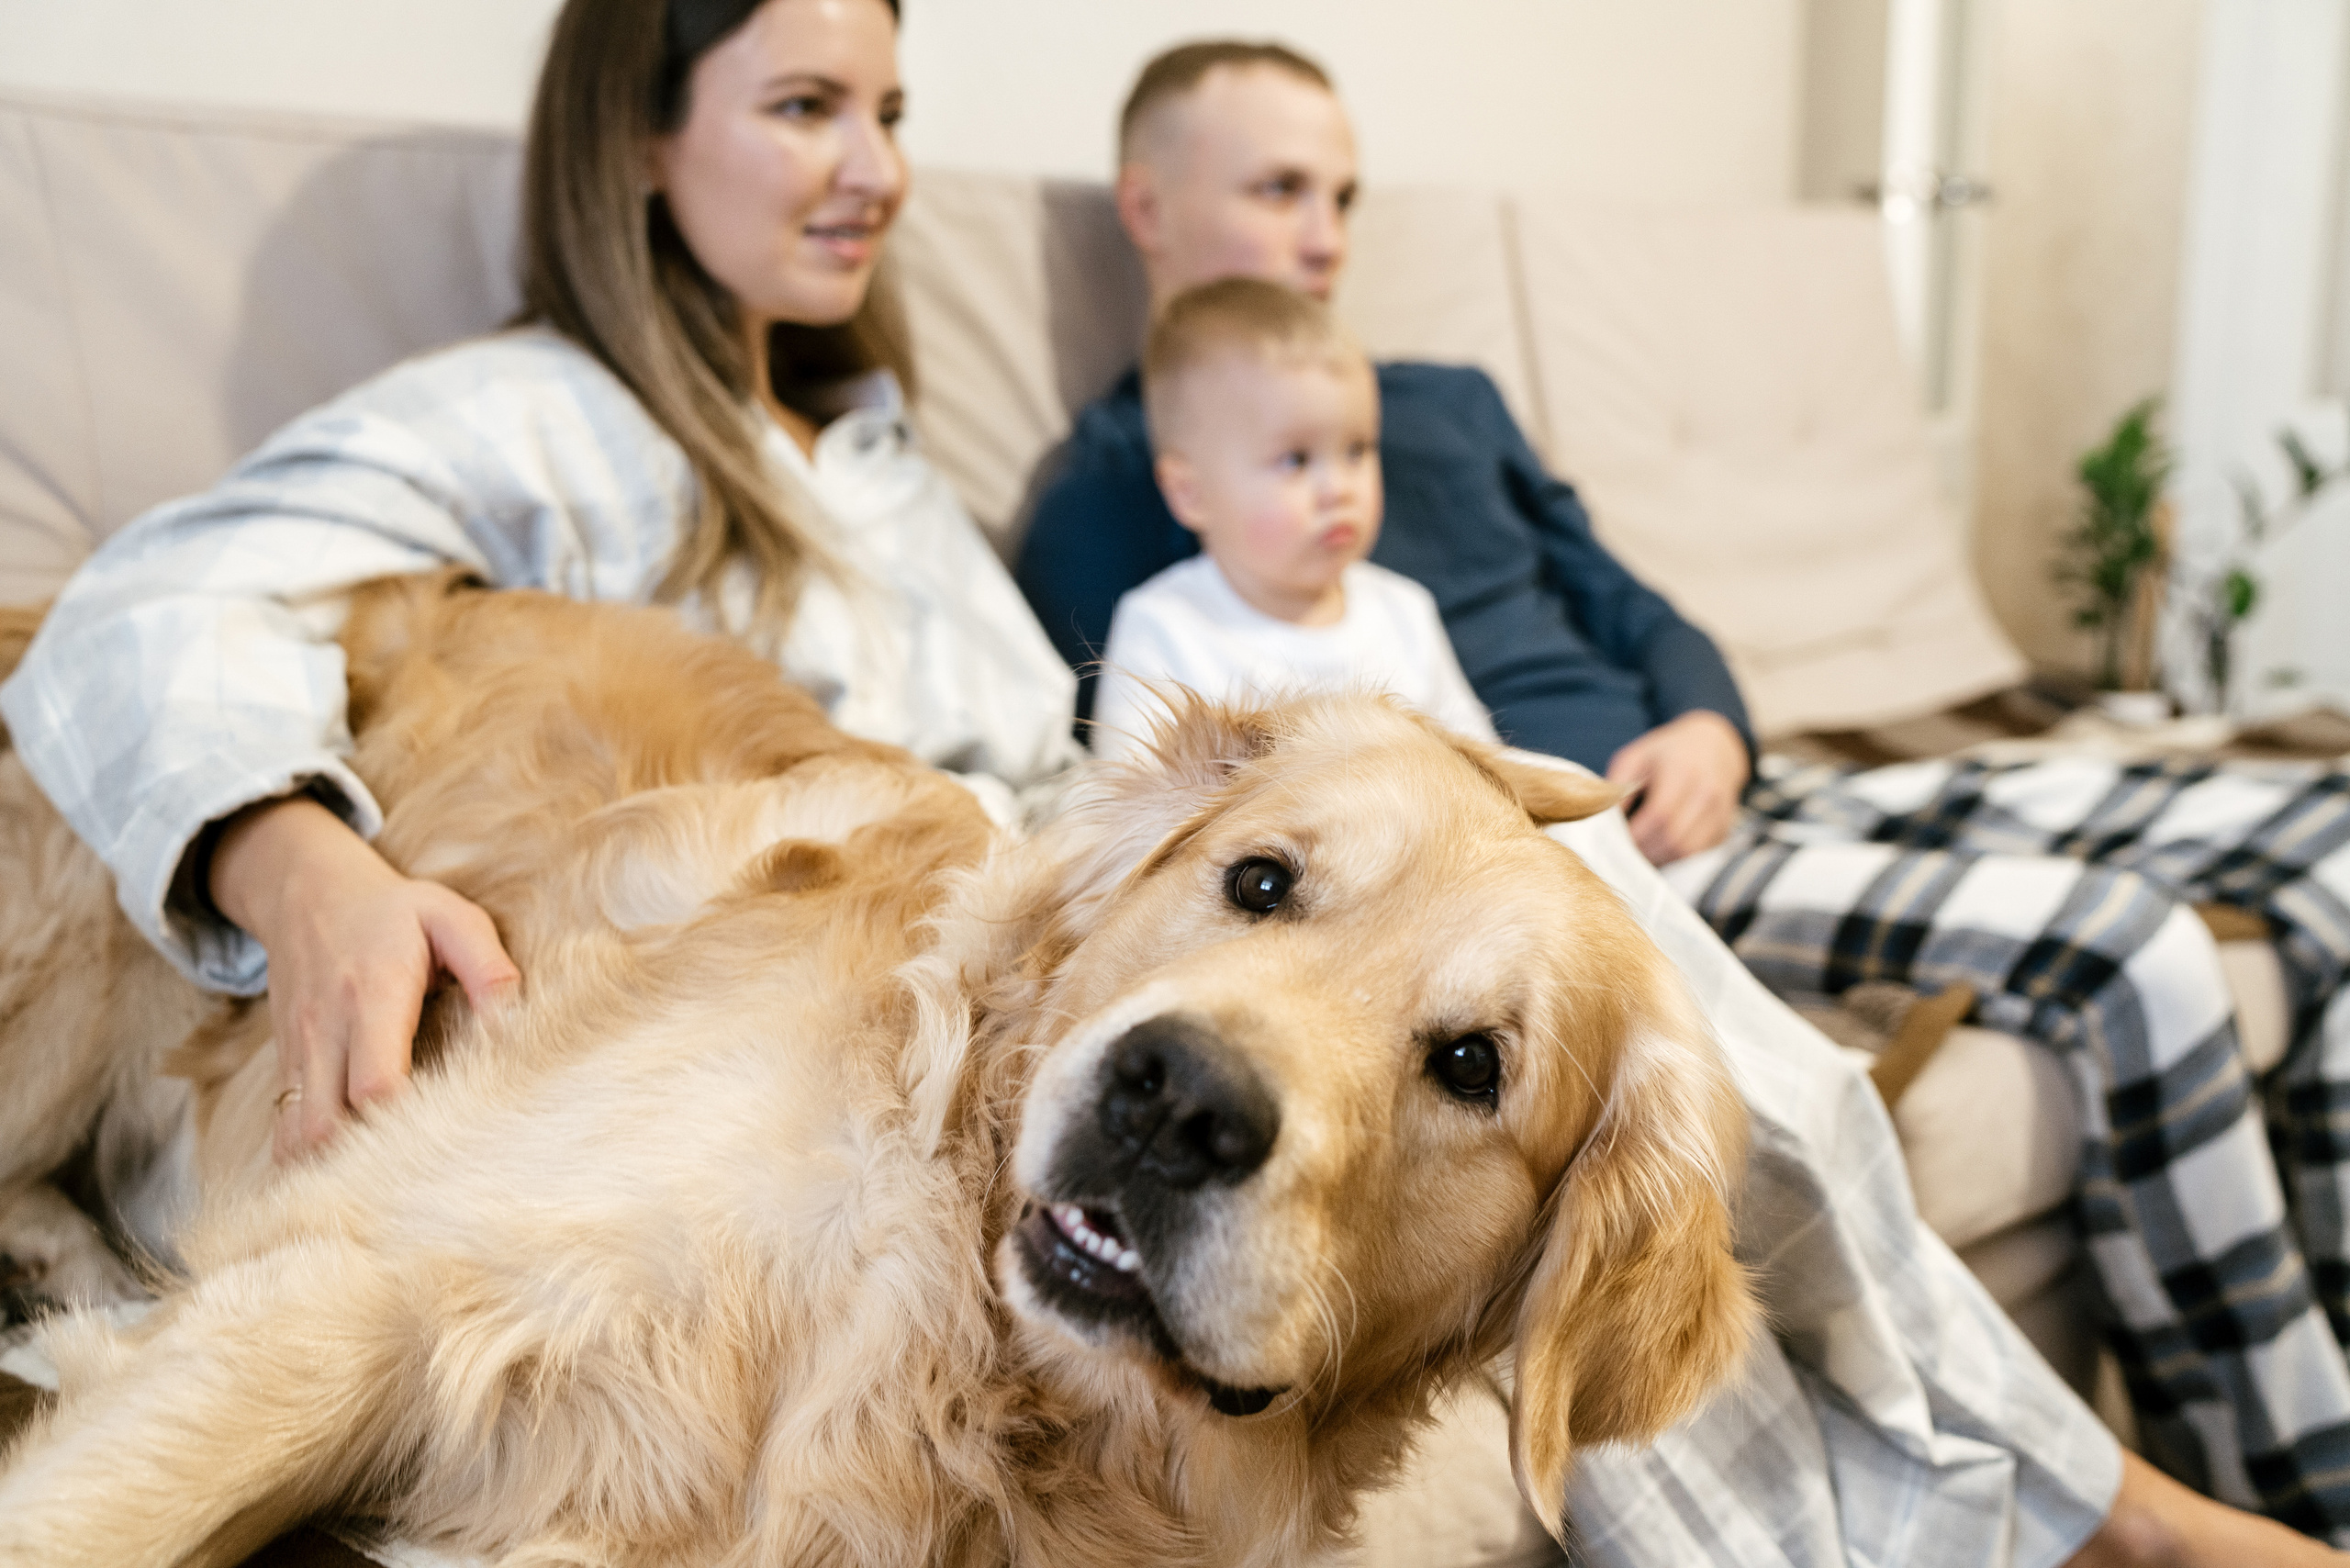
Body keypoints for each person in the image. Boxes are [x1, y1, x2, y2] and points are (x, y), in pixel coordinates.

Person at [1013, 37, 2350, 1564]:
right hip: (1581, 874)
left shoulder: (1442, 400)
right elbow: (1184, 800)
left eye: (1342, 194)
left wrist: (1709, 712)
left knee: (2325, 839)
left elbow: (1630, 597)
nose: (1325, 230)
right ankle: (2250, 1505)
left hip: (1726, 774)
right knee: (2135, 946)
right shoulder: (1125, 482)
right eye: (1278, 189)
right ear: (1147, 205)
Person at [0, 0, 1079, 1168]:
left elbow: (1056, 771)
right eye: (806, 108)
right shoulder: (536, 415)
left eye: (890, 114)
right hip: (764, 1066)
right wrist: (296, 870)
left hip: (1034, 1001)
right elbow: (141, 605)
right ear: (636, 143)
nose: (880, 171)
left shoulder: (887, 465)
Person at [1089, 275, 1494, 756]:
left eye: (1357, 450)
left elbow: (1482, 765)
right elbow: (1128, 801)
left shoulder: (1405, 613)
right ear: (1191, 493)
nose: (1338, 489)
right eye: (1295, 461)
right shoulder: (1165, 629)